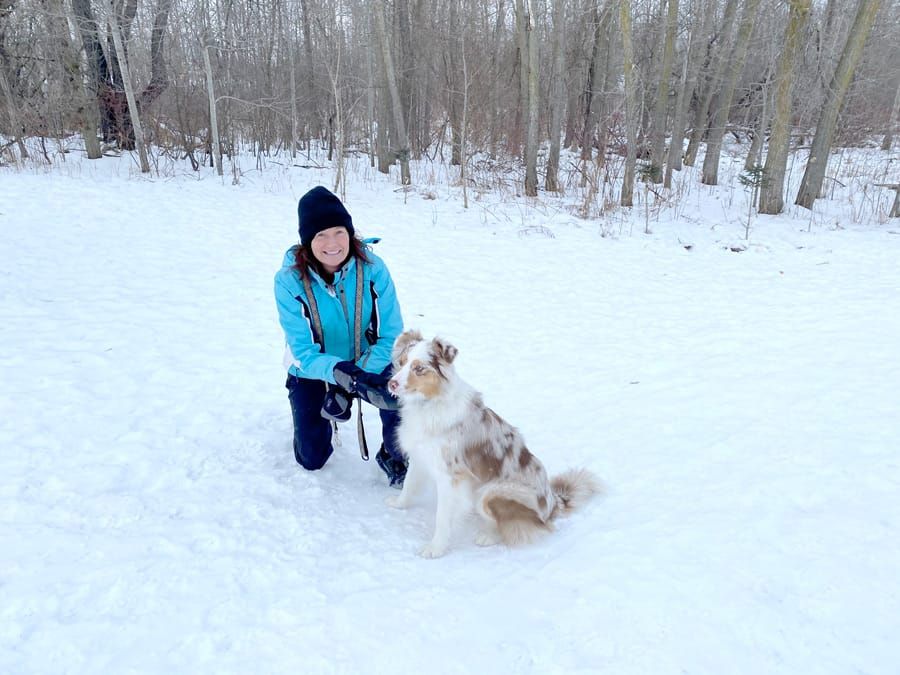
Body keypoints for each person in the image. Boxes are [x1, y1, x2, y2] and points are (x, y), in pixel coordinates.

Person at [274, 185, 407, 487]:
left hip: (368, 359)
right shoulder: (288, 281)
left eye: (339, 232)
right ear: (307, 241)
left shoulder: (373, 268)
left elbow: (392, 335)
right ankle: (316, 420)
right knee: (311, 459)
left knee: (399, 396)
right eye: (320, 235)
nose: (332, 243)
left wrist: (360, 373)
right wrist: (339, 375)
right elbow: (303, 352)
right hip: (313, 368)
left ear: (350, 233)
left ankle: (394, 454)